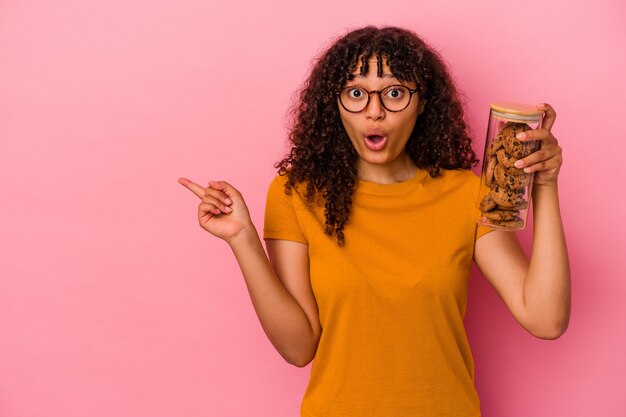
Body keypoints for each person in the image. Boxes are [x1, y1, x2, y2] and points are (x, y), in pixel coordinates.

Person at [178, 26, 570, 417]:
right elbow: (298, 349)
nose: (374, 111)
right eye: (355, 93)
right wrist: (243, 239)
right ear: (334, 104)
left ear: (423, 103)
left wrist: (545, 185)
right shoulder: (295, 193)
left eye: (395, 93)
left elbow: (545, 318)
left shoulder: (465, 194)